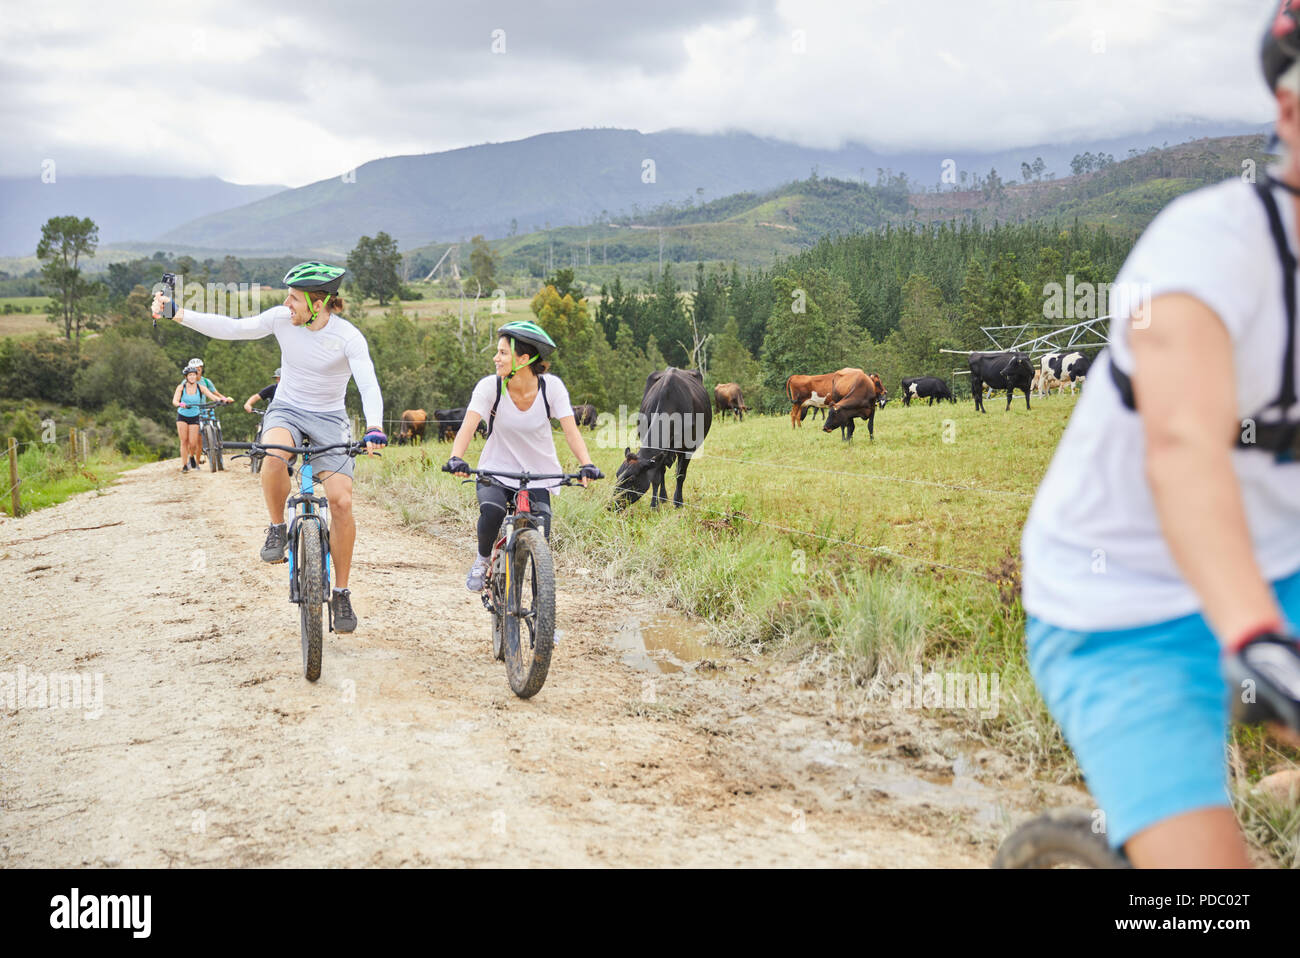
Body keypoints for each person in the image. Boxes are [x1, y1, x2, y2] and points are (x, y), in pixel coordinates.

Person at [1020, 2, 1300, 868]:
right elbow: (1182, 447)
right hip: (1120, 606)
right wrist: (1255, 637)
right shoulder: (1209, 245)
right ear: (1288, 108)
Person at [154, 263, 387, 633]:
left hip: (329, 418)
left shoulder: (348, 338)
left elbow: (369, 384)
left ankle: (341, 592)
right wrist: (178, 314)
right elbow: (233, 328)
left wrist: (374, 426)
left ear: (319, 302)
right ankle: (277, 527)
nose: (286, 303)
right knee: (274, 455)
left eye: (294, 298)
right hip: (287, 410)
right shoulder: (281, 319)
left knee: (341, 502)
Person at [444, 320, 602, 590]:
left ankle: (543, 614)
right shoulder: (489, 387)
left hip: (539, 475)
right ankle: (483, 559)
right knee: (492, 512)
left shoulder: (551, 388)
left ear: (524, 359)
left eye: (503, 353)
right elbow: (468, 426)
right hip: (496, 471)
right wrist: (456, 457)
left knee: (542, 536)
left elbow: (572, 431)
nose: (496, 358)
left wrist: (586, 463)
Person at [173, 362, 222, 472]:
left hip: (195, 416)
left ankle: (192, 457)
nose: (192, 377)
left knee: (193, 442)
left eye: (194, 375)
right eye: (190, 375)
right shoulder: (181, 387)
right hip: (182, 415)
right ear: (186, 377)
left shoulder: (201, 387)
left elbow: (212, 396)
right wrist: (182, 404)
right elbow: (175, 401)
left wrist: (221, 400)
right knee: (184, 441)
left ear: (196, 376)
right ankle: (185, 465)